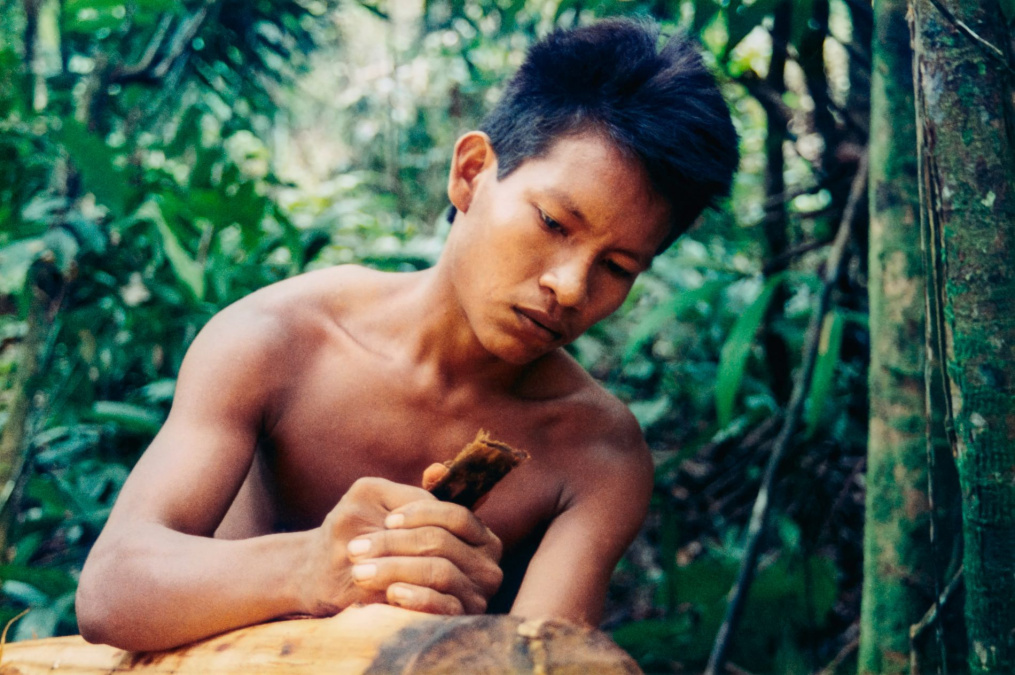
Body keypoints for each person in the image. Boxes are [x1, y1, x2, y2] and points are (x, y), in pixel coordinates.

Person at [75, 17, 738, 651]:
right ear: (472, 172)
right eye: (552, 223)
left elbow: (538, 663)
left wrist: (467, 628)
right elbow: (110, 590)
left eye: (617, 266)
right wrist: (311, 565)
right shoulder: (279, 342)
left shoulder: (594, 454)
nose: (570, 285)